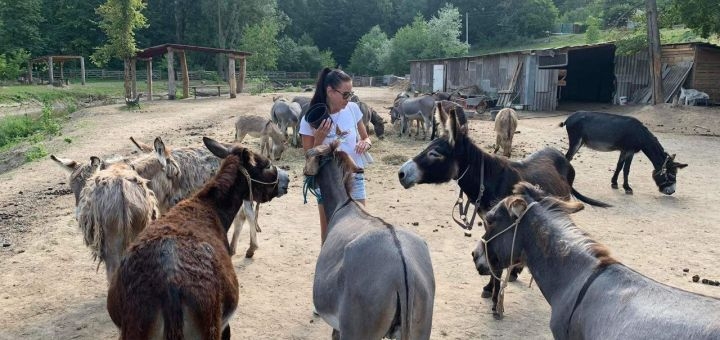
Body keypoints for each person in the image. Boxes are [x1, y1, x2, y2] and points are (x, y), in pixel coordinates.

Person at [299, 67, 372, 246]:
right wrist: (319, 140)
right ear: (330, 91)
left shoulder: (354, 109)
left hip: (355, 176)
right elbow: (309, 157)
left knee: (361, 227)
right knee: (330, 230)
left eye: (351, 93)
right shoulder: (310, 119)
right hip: (327, 180)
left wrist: (366, 143)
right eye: (345, 94)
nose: (349, 99)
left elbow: (366, 137)